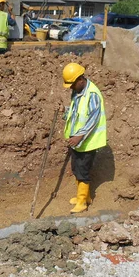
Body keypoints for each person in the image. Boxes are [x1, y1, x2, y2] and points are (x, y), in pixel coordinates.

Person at [62, 62, 107, 213]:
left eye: (72, 84)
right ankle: (84, 197)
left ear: (80, 80)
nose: (70, 87)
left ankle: (82, 203)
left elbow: (93, 119)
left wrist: (79, 136)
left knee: (82, 171)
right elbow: (76, 112)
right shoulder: (77, 91)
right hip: (78, 141)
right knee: (76, 168)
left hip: (87, 141)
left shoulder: (92, 94)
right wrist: (64, 111)